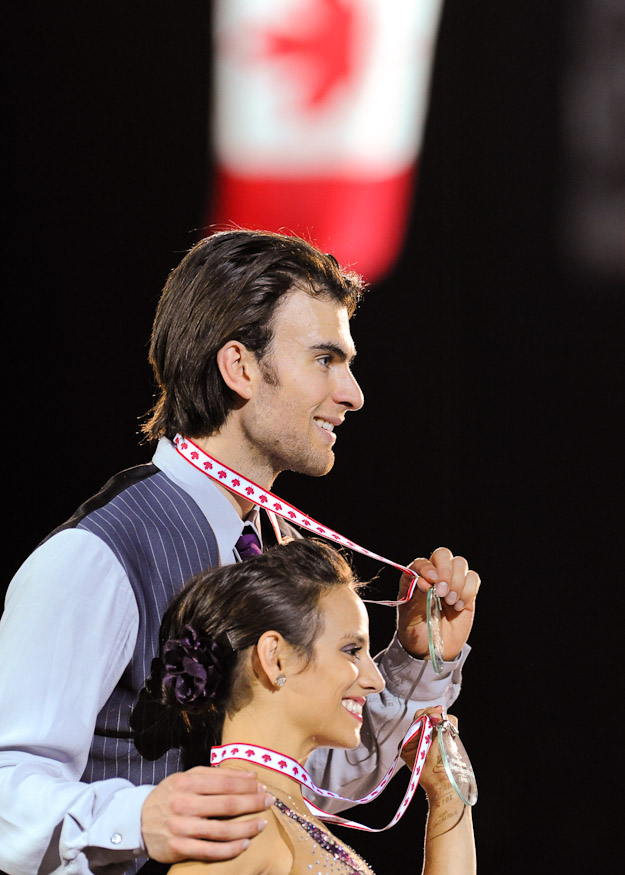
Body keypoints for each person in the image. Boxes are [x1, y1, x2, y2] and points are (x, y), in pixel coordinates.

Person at [0, 230, 479, 874]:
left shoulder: (276, 552)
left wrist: (418, 662)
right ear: (240, 368)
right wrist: (137, 819)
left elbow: (309, 777)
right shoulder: (99, 556)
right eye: (325, 360)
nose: (353, 393)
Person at [131, 537, 476, 874]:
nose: (376, 680)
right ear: (276, 658)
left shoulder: (277, 811)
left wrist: (448, 792)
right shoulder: (244, 823)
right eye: (352, 650)